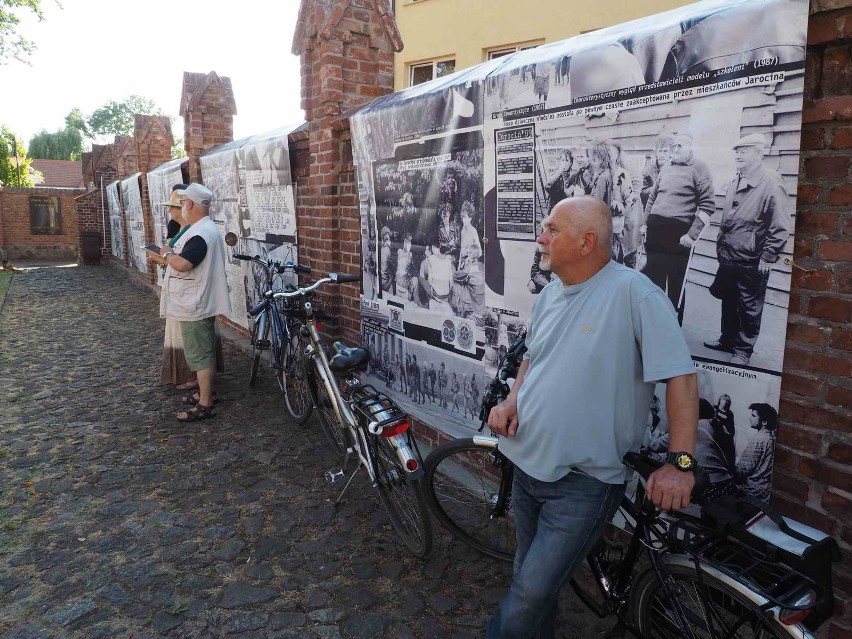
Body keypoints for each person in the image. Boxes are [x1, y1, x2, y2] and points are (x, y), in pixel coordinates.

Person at [486, 196, 698, 639]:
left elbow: (680, 379)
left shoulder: (636, 295)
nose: (540, 238)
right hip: (526, 464)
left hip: (583, 481)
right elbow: (532, 359)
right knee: (531, 586)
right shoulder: (549, 295)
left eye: (551, 229)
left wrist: (680, 465)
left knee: (528, 593)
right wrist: (511, 402)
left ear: (586, 242)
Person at [705, 134, 792, 366]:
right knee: (729, 300)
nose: (739, 155)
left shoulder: (772, 182)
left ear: (759, 154)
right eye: (737, 150)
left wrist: (769, 255)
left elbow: (781, 223)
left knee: (749, 306)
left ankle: (743, 350)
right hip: (730, 255)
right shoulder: (738, 179)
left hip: (753, 258)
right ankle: (727, 340)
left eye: (745, 150)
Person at [155, 183, 231, 422]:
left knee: (200, 355)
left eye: (182, 203)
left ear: (189, 204)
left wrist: (166, 253)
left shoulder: (201, 232)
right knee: (201, 351)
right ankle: (204, 393)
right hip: (195, 301)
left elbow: (183, 264)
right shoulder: (201, 228)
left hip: (194, 303)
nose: (181, 207)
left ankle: (206, 404)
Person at [642, 133, 715, 323]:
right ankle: (654, 320)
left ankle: (673, 323)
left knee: (676, 280)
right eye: (674, 146)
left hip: (679, 232)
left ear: (691, 147)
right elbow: (652, 198)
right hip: (656, 228)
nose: (675, 150)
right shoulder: (667, 166)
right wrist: (644, 223)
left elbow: (708, 205)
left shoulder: (700, 168)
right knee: (653, 275)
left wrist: (692, 235)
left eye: (680, 146)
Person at [735, 402, 778, 501]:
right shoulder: (771, 438)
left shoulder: (758, 439)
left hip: (751, 491)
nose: (750, 418)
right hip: (765, 491)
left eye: (753, 415)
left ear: (764, 422)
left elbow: (744, 468)